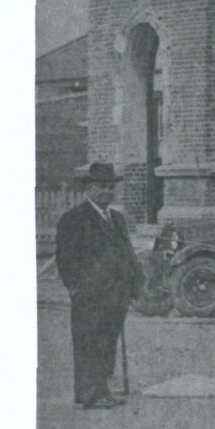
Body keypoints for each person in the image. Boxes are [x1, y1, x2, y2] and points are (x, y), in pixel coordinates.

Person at [54, 162, 141, 409]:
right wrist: (76, 289)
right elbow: (65, 259)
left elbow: (127, 253)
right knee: (88, 344)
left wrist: (134, 285)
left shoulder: (117, 218)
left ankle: (102, 389)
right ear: (89, 189)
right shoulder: (74, 219)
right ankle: (90, 394)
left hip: (116, 296)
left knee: (106, 343)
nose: (107, 192)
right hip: (89, 297)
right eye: (101, 187)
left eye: (110, 187)